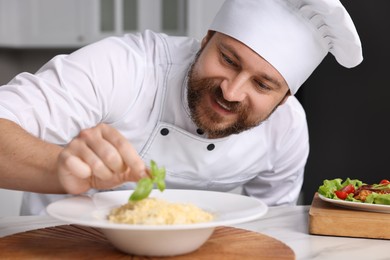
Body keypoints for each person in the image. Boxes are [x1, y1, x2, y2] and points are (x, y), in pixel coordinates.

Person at [0, 0, 363, 215]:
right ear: (204, 40)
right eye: (228, 59)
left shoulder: (287, 130)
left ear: (284, 99)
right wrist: (59, 168)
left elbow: (272, 226)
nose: (232, 91)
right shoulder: (124, 67)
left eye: (262, 84)